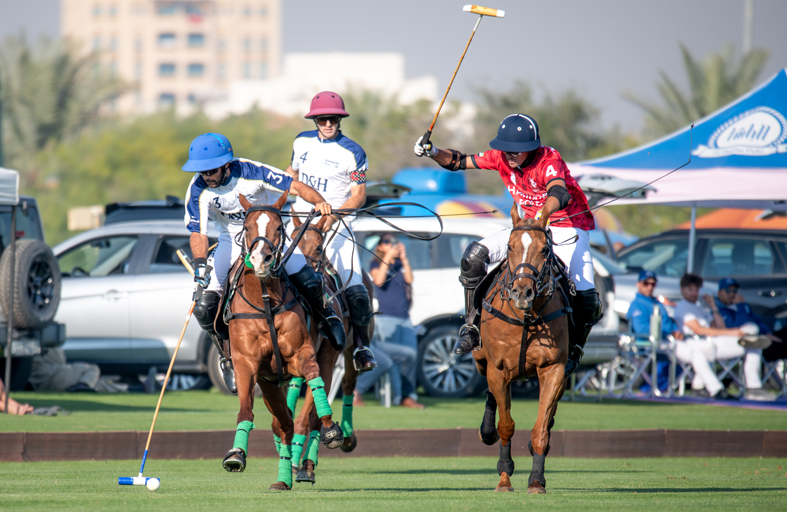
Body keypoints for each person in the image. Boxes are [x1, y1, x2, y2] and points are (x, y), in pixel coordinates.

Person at [414, 114, 602, 376]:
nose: (508, 154)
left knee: (587, 300)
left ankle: (575, 349)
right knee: (473, 257)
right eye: (505, 149)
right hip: (526, 229)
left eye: (515, 150)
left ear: (531, 149)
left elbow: (559, 191)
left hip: (566, 226)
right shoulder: (500, 157)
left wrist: (542, 216)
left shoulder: (549, 159)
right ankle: (472, 327)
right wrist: (433, 151)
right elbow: (458, 161)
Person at [183, 132, 345, 395]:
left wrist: (320, 202)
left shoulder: (252, 172)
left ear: (226, 165)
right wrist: (200, 263)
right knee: (204, 308)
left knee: (309, 281)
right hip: (230, 240)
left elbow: (294, 186)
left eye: (211, 170)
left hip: (267, 237)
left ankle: (328, 318)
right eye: (201, 171)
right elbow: (197, 231)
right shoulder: (198, 188)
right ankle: (227, 357)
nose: (206, 176)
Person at [284, 91, 377, 372]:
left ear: (340, 120)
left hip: (336, 226)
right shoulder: (301, 142)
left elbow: (358, 195)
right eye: (323, 119)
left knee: (355, 288)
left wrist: (336, 214)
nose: (328, 124)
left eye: (333, 119)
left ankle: (361, 347)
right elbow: (292, 174)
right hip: (298, 223)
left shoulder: (353, 152)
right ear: (314, 120)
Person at [626, 270, 732, 399]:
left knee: (709, 347)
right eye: (646, 283)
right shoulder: (637, 305)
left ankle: (698, 387)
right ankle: (716, 389)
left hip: (671, 341)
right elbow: (641, 329)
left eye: (653, 284)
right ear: (638, 284)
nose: (650, 287)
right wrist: (669, 332)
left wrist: (677, 330)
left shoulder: (657, 302)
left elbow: (670, 322)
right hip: (654, 343)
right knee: (696, 353)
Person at [674, 273, 775, 401]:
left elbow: (720, 327)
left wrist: (713, 306)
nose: (694, 293)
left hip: (713, 343)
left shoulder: (700, 308)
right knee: (745, 339)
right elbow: (699, 330)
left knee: (754, 343)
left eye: (696, 290)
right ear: (682, 290)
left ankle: (753, 388)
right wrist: (733, 333)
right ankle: (706, 388)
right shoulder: (683, 307)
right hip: (696, 343)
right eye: (690, 290)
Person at [365, 234, 424, 408]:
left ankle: (408, 395)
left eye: (394, 242)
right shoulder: (375, 264)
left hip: (405, 318)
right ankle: (397, 396)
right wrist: (388, 257)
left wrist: (404, 259)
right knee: (395, 359)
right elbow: (378, 281)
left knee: (411, 356)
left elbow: (410, 280)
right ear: (380, 246)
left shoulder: (400, 264)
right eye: (387, 242)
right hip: (386, 317)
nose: (392, 245)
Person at [715, 277, 787, 364]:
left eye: (734, 291)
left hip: (760, 337)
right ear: (719, 292)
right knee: (758, 341)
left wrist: (767, 333)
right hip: (740, 342)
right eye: (728, 291)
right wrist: (740, 306)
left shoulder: (743, 306)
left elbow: (757, 321)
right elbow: (737, 327)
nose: (732, 294)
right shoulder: (718, 309)